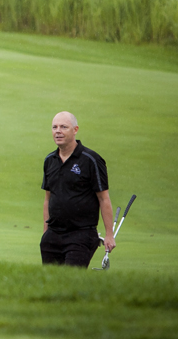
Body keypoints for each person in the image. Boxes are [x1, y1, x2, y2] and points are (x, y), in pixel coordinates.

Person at [41, 111, 115, 267]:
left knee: (70, 282)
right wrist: (45, 233)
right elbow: (48, 199)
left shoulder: (91, 160)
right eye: (54, 127)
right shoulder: (50, 160)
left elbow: (103, 198)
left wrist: (109, 234)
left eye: (63, 127)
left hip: (81, 234)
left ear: (75, 130)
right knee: (50, 284)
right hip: (53, 235)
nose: (58, 131)